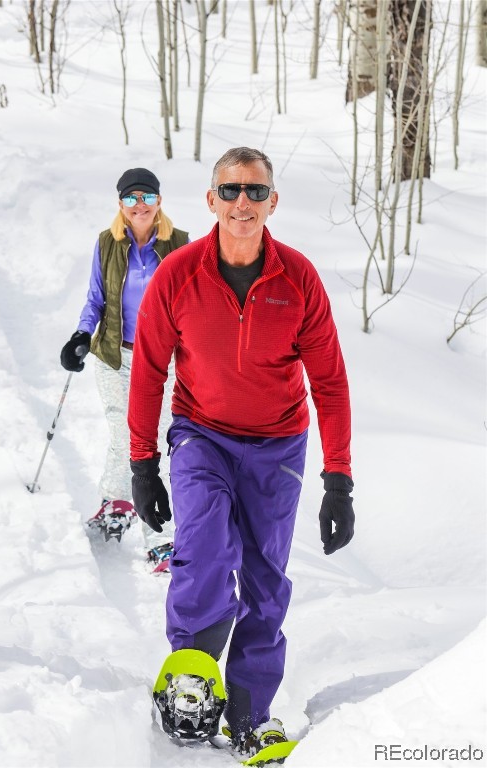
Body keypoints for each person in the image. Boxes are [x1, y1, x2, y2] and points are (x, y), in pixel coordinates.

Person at [128, 148, 354, 755]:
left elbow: (329, 381)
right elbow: (148, 371)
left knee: (264, 580)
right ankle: (192, 677)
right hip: (201, 435)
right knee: (203, 549)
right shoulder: (178, 274)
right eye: (229, 191)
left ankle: (251, 713)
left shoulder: (298, 278)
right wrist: (143, 464)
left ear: (273, 202)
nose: (242, 203)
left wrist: (339, 482)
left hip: (278, 446)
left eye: (255, 192)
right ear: (211, 200)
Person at [60, 167, 189, 549]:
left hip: (162, 361)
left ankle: (161, 536)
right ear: (120, 204)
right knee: (124, 436)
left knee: (153, 441)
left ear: (159, 202)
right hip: (115, 357)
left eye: (147, 197)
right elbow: (95, 299)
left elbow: (193, 303)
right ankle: (117, 505)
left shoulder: (180, 245)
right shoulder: (107, 244)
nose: (139, 204)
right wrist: (82, 334)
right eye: (131, 197)